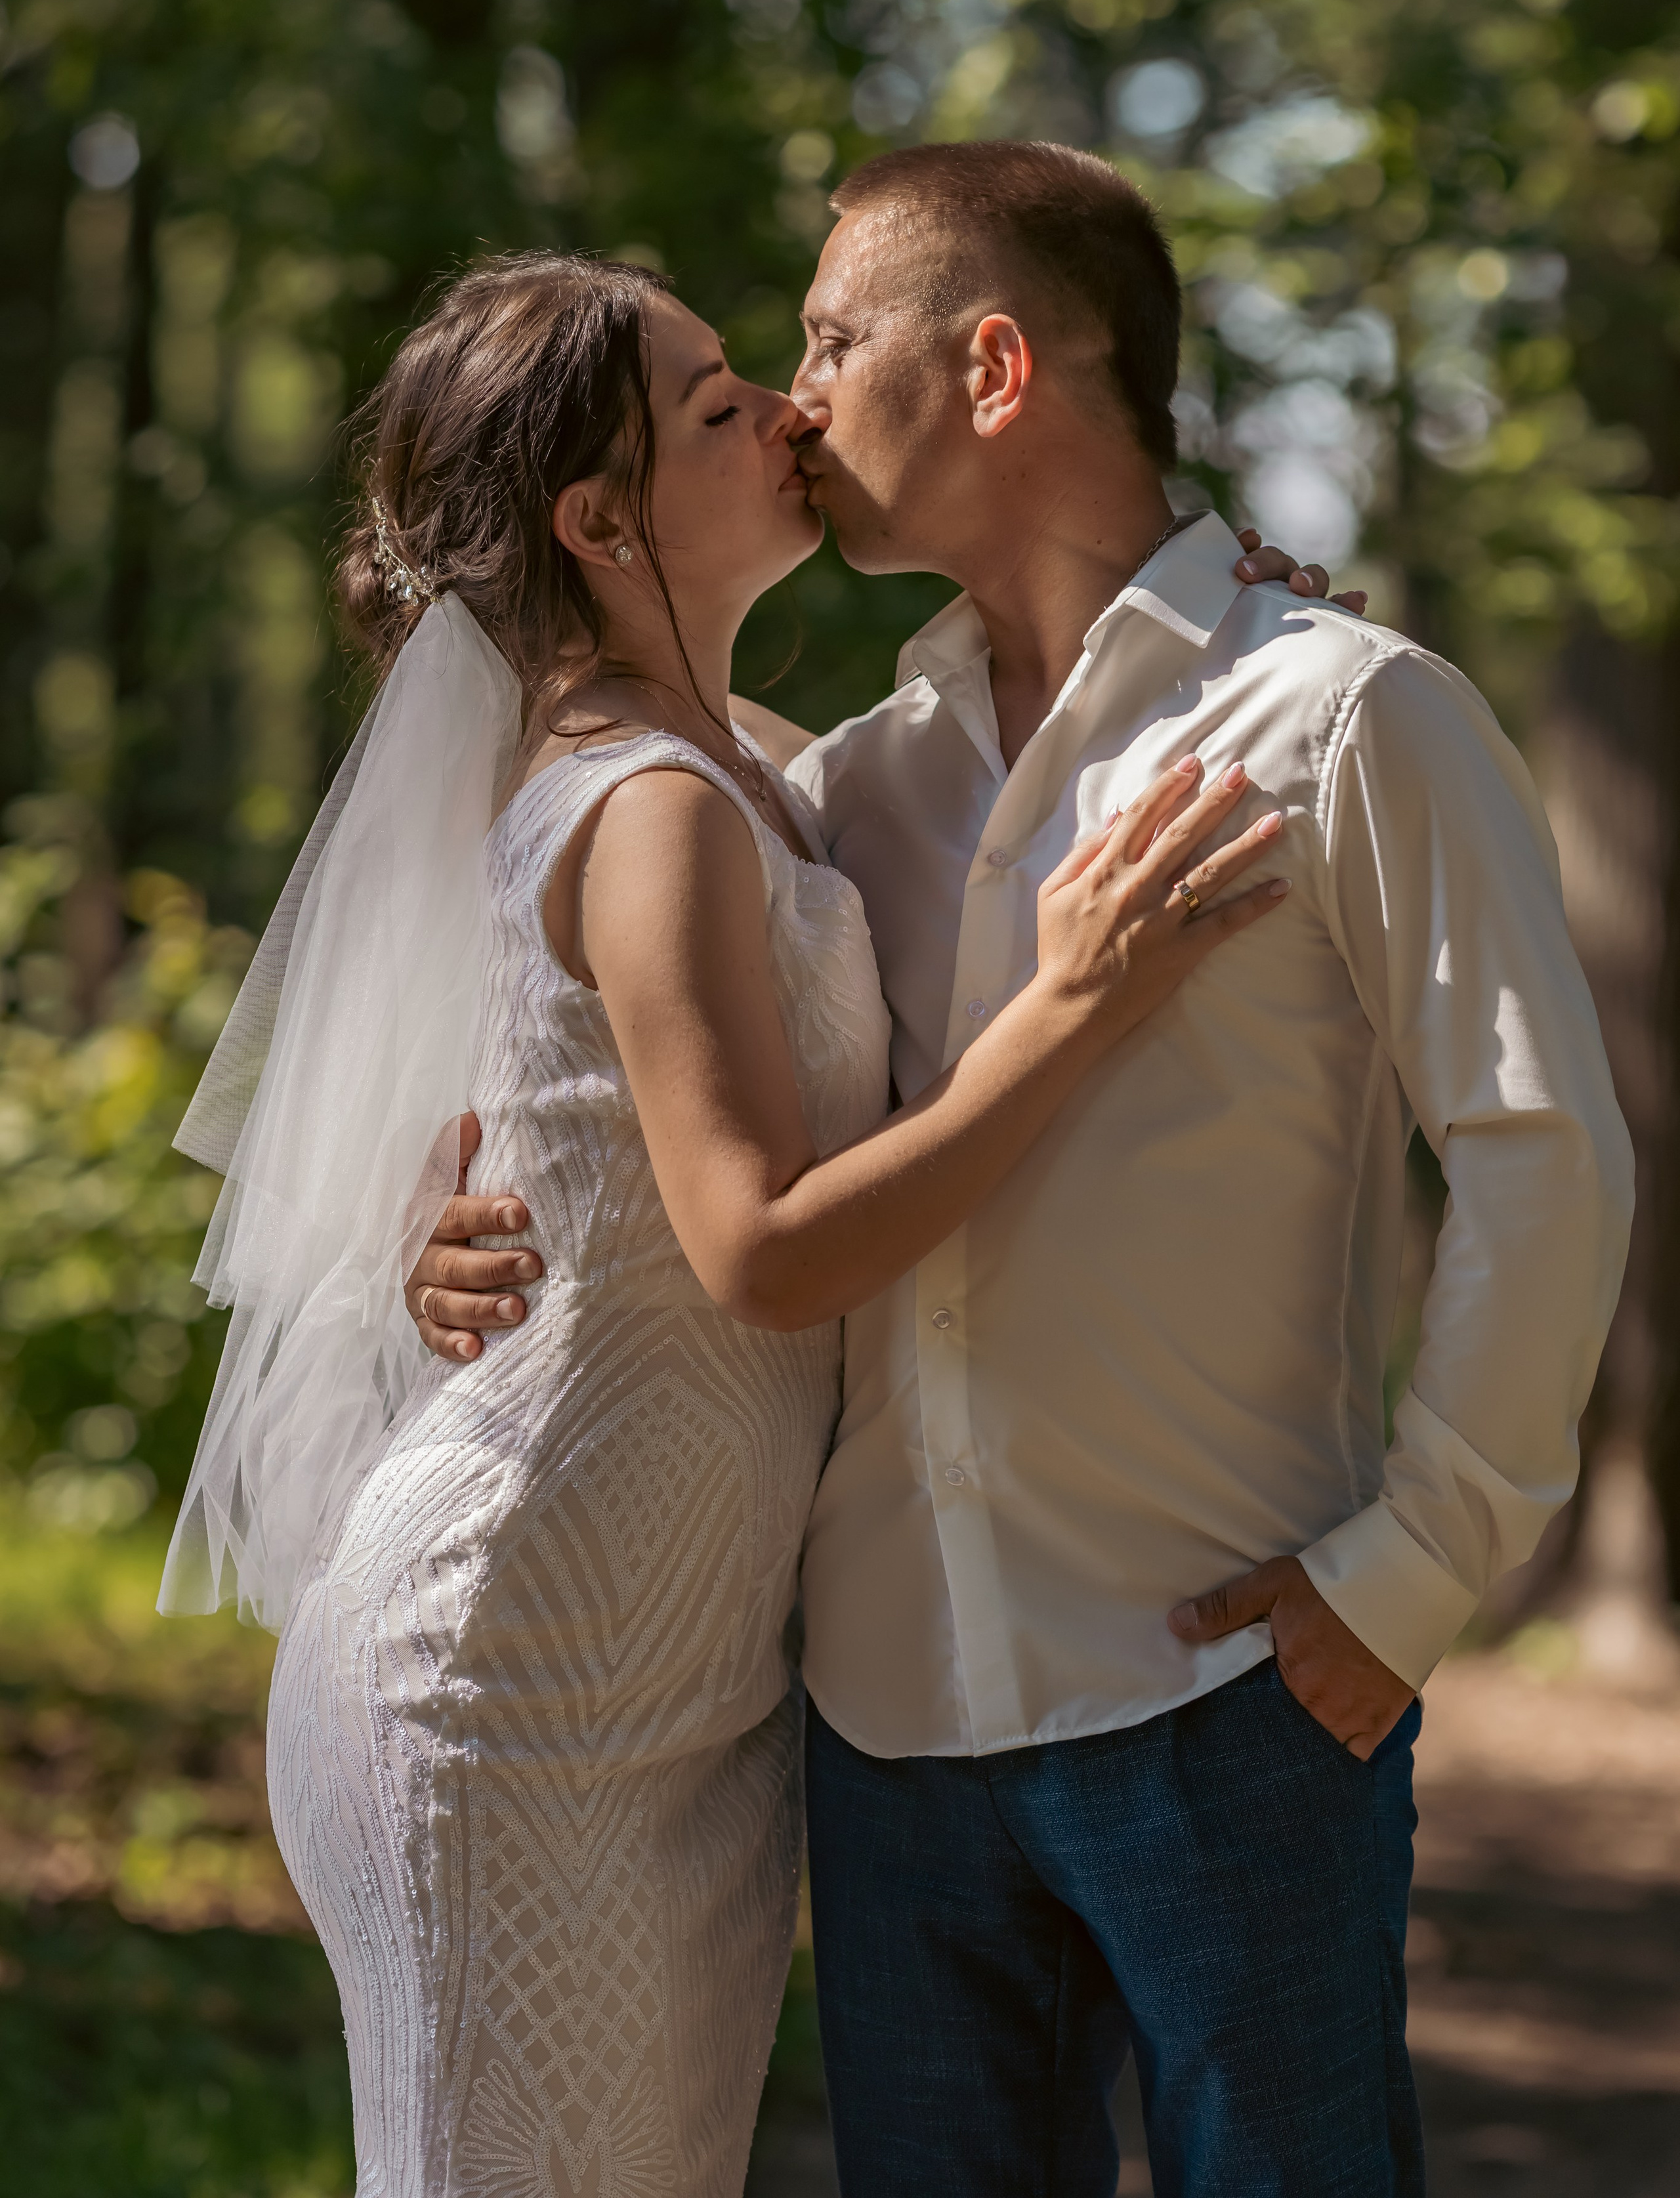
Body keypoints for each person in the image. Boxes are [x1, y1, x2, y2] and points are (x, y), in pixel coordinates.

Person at [410, 145, 1633, 2198]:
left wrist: (1413, 1577)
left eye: (828, 340)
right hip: (888, 1728)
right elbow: (609, 1062)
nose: (793, 403)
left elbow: (1542, 1158)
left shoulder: (1346, 720)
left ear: (989, 369)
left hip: (1233, 1695)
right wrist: (440, 1228)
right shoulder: (836, 791)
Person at [161, 248, 1335, 2198]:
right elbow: (762, 1248)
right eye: (720, 404)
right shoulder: (652, 805)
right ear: (600, 521)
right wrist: (1072, 1005)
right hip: (518, 1672)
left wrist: (1248, 627)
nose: (789, 412)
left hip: (685, 1688)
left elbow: (520, 1095)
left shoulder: (768, 771)